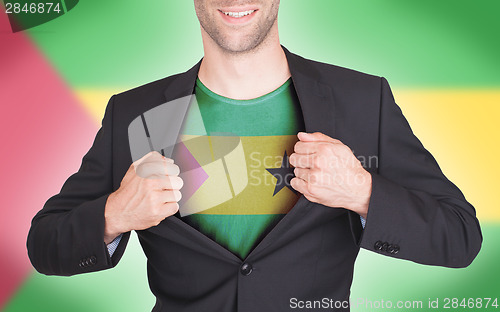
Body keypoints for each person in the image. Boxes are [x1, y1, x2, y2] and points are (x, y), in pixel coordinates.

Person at [27, 1, 482, 311]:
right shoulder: (135, 113)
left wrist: (363, 192)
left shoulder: (362, 100)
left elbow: (460, 237)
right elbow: (45, 245)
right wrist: (114, 214)